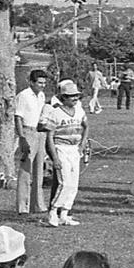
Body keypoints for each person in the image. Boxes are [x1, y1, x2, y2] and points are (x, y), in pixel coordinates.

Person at [40, 80, 88, 228]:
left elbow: (86, 126)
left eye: (76, 96)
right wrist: (54, 157)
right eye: (71, 96)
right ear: (63, 97)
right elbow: (49, 136)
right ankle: (53, 211)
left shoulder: (80, 111)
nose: (74, 99)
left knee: (74, 183)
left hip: (74, 149)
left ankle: (65, 214)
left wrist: (82, 145)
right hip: (61, 148)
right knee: (64, 182)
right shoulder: (55, 112)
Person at [14, 69, 50, 215]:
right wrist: (22, 137)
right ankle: (23, 207)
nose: (42, 86)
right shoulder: (23, 96)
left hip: (40, 132)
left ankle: (38, 204)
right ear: (32, 82)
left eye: (44, 83)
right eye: (39, 83)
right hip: (28, 132)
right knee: (25, 171)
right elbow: (18, 117)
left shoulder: (41, 95)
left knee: (39, 170)